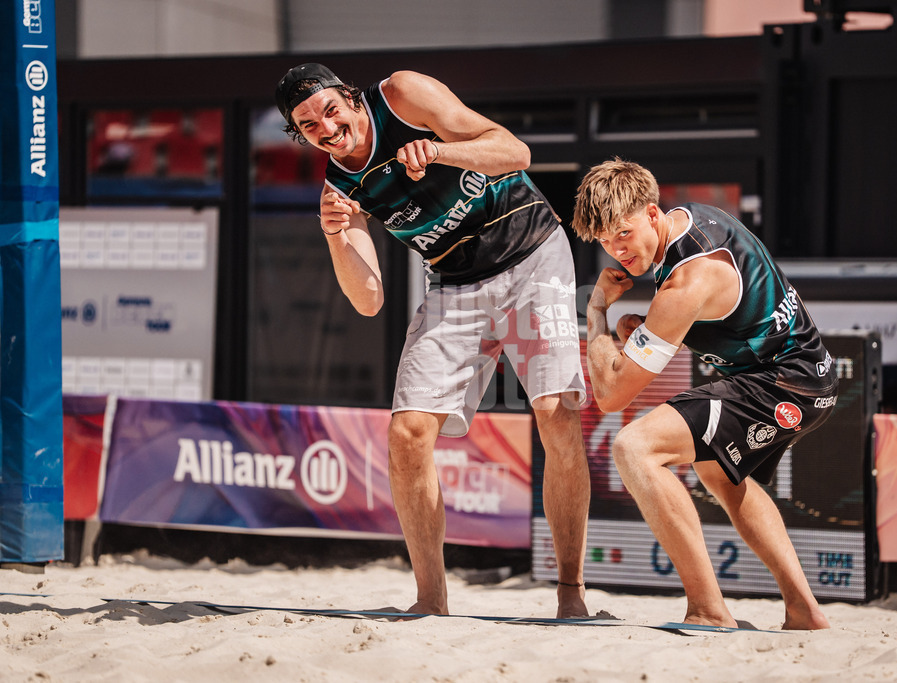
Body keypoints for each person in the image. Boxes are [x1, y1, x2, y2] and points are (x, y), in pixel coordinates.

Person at [274, 64, 590, 618]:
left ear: (350, 98)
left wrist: (441, 152)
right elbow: (368, 298)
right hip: (456, 281)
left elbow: (514, 153)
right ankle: (430, 601)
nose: (326, 126)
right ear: (300, 135)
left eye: (330, 109)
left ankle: (570, 593)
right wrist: (333, 234)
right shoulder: (339, 187)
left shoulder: (401, 95)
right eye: (308, 124)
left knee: (555, 413)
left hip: (531, 251)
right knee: (408, 434)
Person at [571, 158, 835, 630]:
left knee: (635, 447)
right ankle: (804, 611)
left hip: (782, 382)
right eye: (605, 242)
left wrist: (595, 313)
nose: (617, 250)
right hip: (802, 374)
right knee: (719, 475)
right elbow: (711, 319)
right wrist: (645, 326)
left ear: (651, 213)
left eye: (623, 234)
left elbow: (610, 395)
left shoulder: (686, 281)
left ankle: (708, 610)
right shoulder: (692, 219)